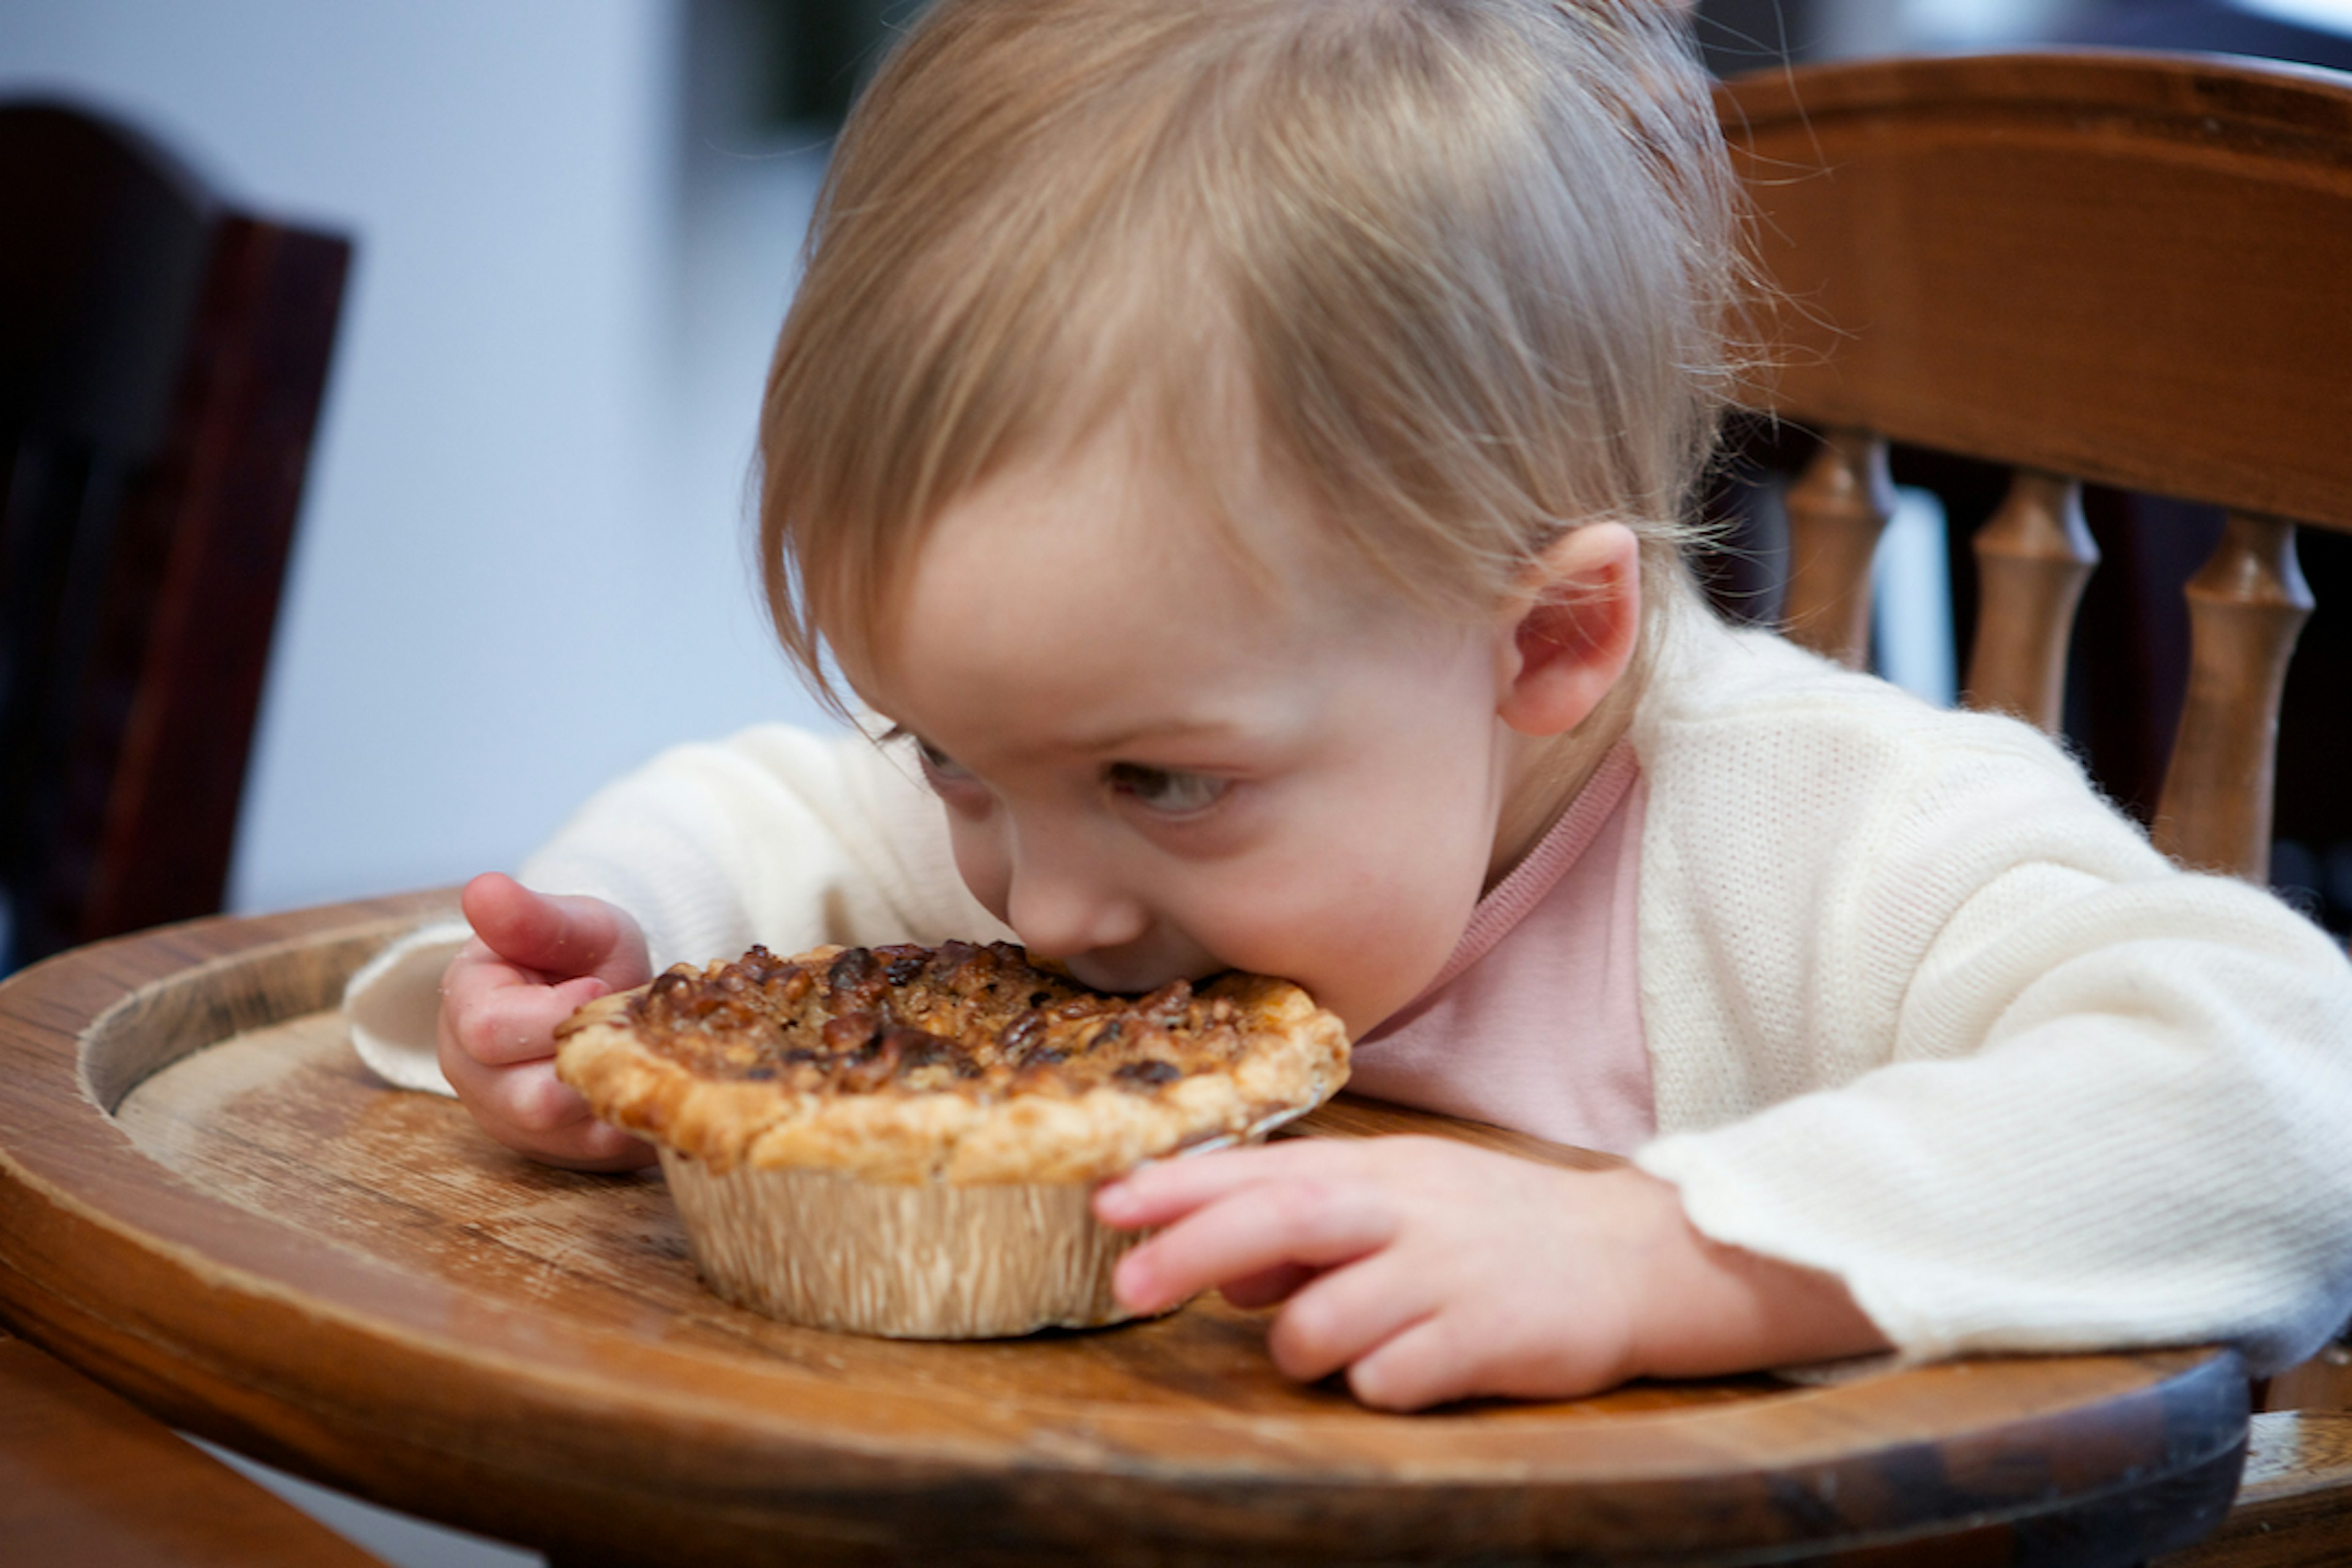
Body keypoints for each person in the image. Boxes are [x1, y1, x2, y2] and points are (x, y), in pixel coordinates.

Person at [352, 0, 2352, 1412]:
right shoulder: (1092, 842)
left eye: (1161, 775)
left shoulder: (1811, 848)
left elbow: (2286, 1095)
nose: (1042, 911)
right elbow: (765, 816)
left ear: (1546, 643)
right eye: (951, 756)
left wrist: (1672, 1256)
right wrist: (608, 960)